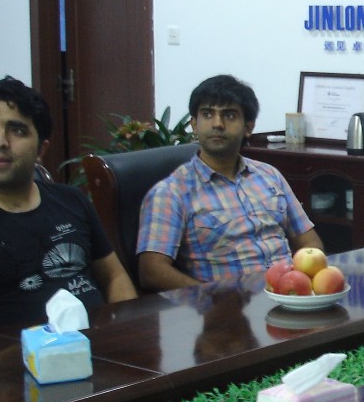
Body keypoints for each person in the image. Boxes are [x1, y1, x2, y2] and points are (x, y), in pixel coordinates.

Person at [0, 76, 137, 340]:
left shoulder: (72, 200)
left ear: (41, 148)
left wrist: (126, 331)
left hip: (98, 347)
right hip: (10, 359)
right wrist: (4, 355)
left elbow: (113, 277)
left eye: (17, 130)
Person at [137, 74, 323, 291]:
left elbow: (309, 242)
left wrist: (304, 284)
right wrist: (210, 298)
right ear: (194, 125)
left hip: (288, 295)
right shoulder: (171, 192)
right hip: (227, 305)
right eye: (207, 114)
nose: (217, 124)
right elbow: (152, 272)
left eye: (229, 115)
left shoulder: (269, 176)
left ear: (248, 127)